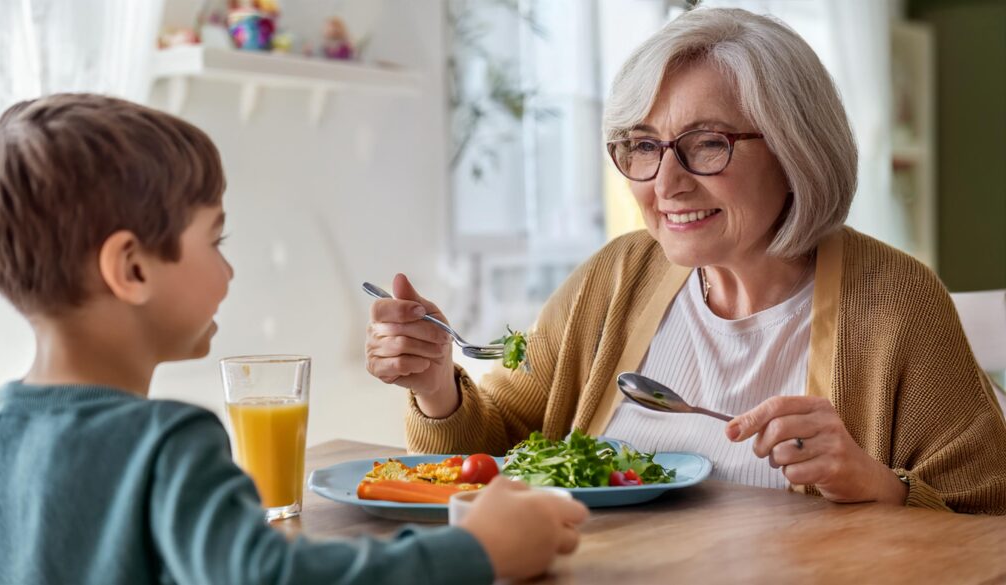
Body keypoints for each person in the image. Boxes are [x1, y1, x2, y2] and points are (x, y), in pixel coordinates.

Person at [365, 7, 1006, 515]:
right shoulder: (619, 275)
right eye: (643, 145)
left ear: (796, 151)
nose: (666, 182)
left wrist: (882, 485)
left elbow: (988, 506)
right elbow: (497, 446)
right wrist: (436, 387)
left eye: (706, 144)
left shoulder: (896, 303)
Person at [0, 93, 587, 585]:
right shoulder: (167, 446)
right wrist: (476, 550)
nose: (229, 270)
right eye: (215, 242)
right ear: (132, 269)